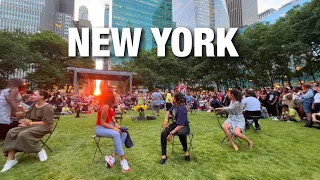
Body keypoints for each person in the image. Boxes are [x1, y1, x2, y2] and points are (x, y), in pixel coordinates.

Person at [1, 90, 54, 173]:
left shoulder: (48, 107)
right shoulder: (33, 106)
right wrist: (24, 121)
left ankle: (39, 150)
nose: (32, 96)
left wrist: (29, 123)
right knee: (11, 132)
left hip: (44, 127)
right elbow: (28, 118)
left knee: (23, 134)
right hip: (31, 125)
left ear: (42, 96)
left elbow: (46, 122)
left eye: (35, 95)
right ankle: (11, 160)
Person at [95, 88, 131, 172]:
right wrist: (114, 128)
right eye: (115, 95)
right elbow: (102, 122)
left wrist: (115, 123)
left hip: (108, 126)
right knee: (116, 134)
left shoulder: (110, 106)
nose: (117, 96)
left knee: (124, 134)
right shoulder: (105, 107)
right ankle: (123, 159)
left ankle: (112, 156)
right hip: (100, 128)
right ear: (110, 97)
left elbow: (111, 116)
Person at [160, 93, 190, 164]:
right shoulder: (175, 105)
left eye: (174, 97)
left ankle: (186, 151)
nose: (172, 98)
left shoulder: (182, 108)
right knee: (163, 133)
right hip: (175, 124)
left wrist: (171, 133)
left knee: (181, 133)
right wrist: (166, 120)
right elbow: (168, 112)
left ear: (176, 99)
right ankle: (164, 155)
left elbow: (181, 125)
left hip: (184, 126)